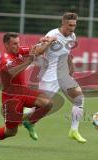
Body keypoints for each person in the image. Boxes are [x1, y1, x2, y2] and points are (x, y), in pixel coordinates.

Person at [0, 32, 56, 146]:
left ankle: (29, 122)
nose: (17, 46)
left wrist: (48, 41)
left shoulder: (20, 50)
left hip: (24, 92)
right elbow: (12, 72)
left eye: (18, 43)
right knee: (11, 132)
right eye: (14, 44)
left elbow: (37, 51)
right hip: (11, 98)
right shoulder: (5, 58)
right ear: (6, 45)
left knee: (48, 103)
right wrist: (29, 60)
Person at [36, 12, 87, 143]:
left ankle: (74, 130)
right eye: (70, 25)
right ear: (63, 24)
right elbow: (38, 52)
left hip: (63, 74)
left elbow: (67, 53)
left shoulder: (72, 36)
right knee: (40, 106)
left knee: (79, 98)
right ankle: (22, 121)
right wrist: (50, 42)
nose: (72, 28)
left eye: (74, 25)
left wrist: (71, 66)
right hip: (49, 75)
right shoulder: (52, 34)